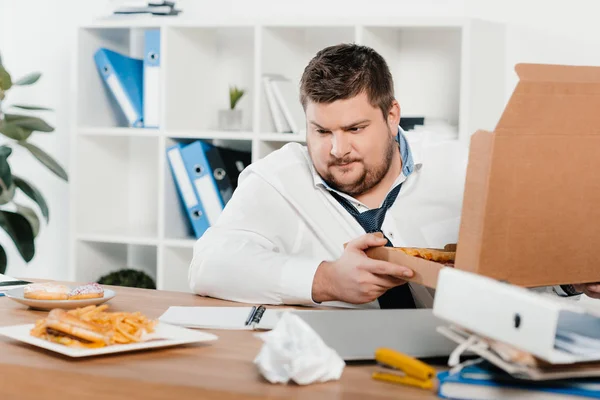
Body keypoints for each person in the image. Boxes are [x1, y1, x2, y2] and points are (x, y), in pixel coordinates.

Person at [188, 43, 600, 308]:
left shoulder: (463, 169)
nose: (337, 150)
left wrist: (568, 278)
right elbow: (208, 265)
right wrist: (323, 280)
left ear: (392, 115)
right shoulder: (275, 178)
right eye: (321, 131)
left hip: (459, 358)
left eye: (354, 129)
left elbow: (508, 277)